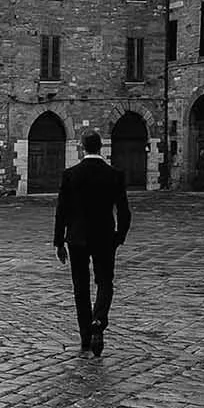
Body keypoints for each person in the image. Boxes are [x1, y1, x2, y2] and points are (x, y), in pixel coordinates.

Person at [53, 129, 131, 356]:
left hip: (76, 238)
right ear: (101, 148)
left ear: (82, 147)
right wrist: (119, 236)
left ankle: (86, 336)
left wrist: (59, 241)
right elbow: (125, 212)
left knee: (80, 287)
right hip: (105, 237)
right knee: (105, 282)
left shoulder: (70, 174)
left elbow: (61, 211)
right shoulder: (114, 175)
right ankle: (99, 320)